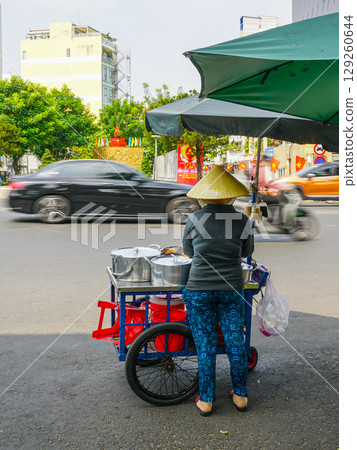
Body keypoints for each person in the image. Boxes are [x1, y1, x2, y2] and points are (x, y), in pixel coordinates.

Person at [181, 165, 254, 416]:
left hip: (199, 288)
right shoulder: (242, 220)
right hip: (232, 288)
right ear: (230, 195)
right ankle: (241, 395)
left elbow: (189, 253)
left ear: (204, 196)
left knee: (205, 345)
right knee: (235, 341)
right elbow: (245, 253)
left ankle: (207, 400)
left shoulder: (194, 219)